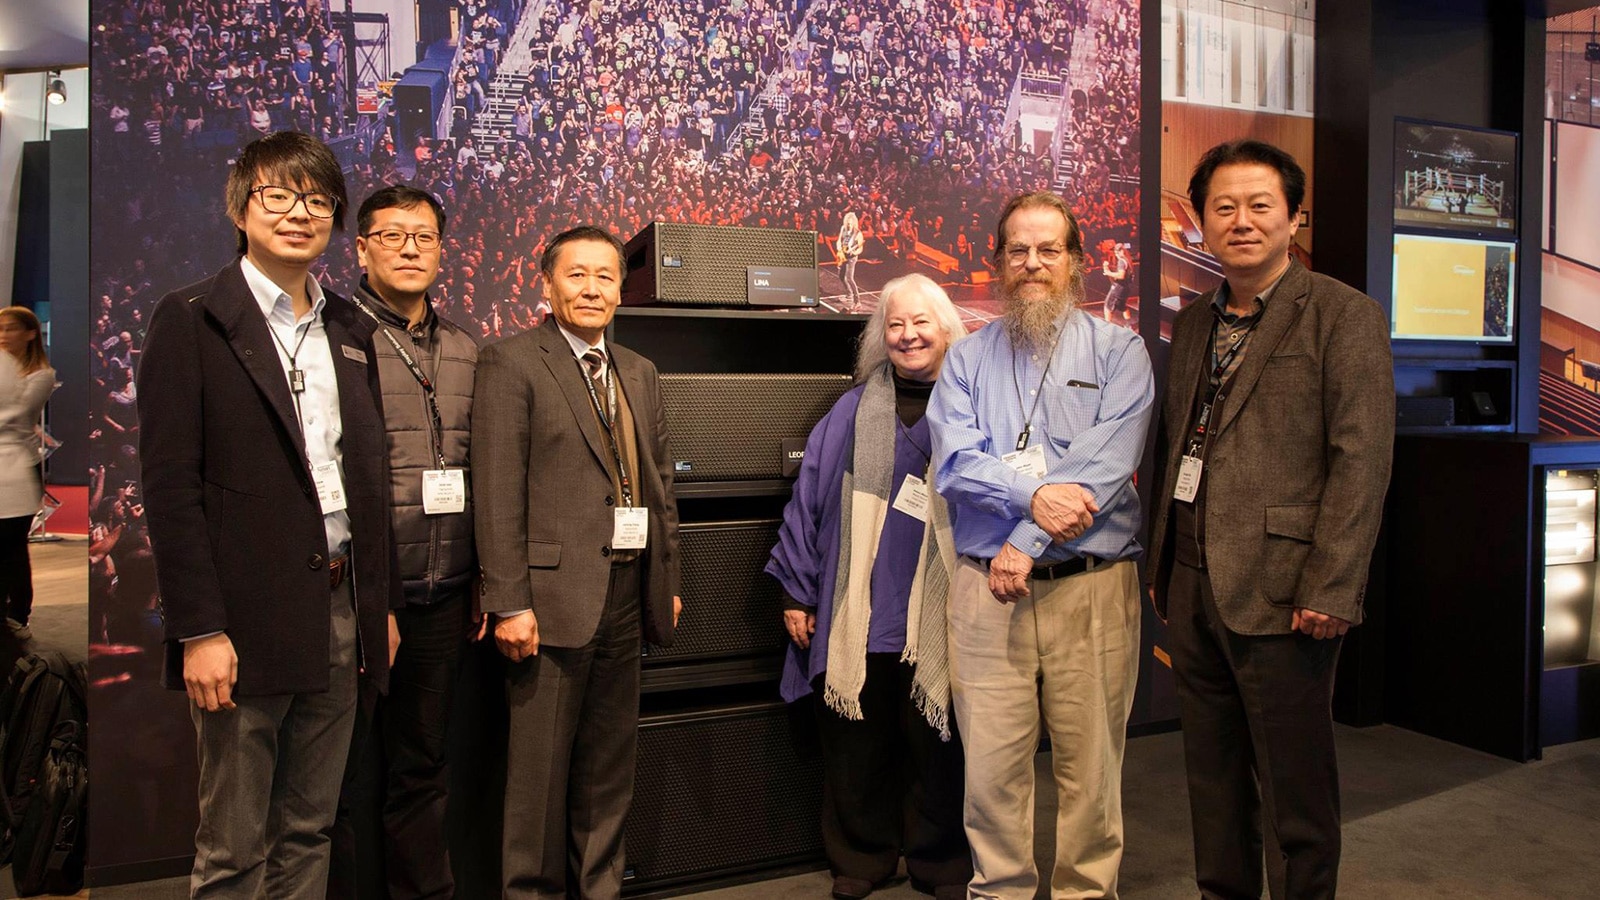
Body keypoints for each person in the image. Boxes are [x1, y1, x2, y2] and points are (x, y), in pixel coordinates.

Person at [137, 131, 399, 898]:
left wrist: (375, 604)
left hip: (341, 609)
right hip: (240, 621)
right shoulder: (191, 318)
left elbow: (370, 478)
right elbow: (171, 486)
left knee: (309, 830)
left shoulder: (351, 329)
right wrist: (200, 628)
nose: (298, 213)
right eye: (278, 196)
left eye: (317, 201)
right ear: (242, 207)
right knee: (232, 846)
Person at [1146, 139, 1394, 900]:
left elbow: (1362, 460)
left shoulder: (1342, 316)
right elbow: (1177, 447)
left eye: (1260, 206)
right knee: (1212, 778)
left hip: (1288, 593)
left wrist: (1333, 585)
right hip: (1191, 584)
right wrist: (1161, 567)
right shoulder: (1192, 323)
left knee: (1295, 790)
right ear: (1199, 220)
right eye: (1223, 207)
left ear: (1294, 217)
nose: (1241, 221)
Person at [927, 191, 1153, 900]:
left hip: (1090, 588)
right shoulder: (964, 359)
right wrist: (1030, 501)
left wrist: (1021, 541)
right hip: (984, 592)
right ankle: (999, 892)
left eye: (1048, 250)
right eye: (1018, 251)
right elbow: (956, 462)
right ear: (997, 262)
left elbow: (1106, 467)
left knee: (1091, 772)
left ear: (1077, 261)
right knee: (991, 770)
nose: (1032, 263)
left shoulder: (1121, 350)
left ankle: (1086, 894)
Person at [472, 224, 682, 899]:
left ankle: (599, 889)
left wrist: (665, 581)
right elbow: (498, 490)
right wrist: (508, 600)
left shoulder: (639, 373)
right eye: (577, 275)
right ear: (547, 284)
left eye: (606, 277)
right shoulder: (510, 361)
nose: (592, 289)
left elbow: (658, 488)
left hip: (626, 591)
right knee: (537, 782)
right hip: (549, 601)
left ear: (622, 290)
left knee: (607, 770)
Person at [767, 274, 973, 900]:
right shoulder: (851, 409)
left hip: (940, 610)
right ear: (881, 335)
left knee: (938, 746)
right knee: (855, 746)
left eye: (921, 323)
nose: (909, 335)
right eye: (895, 324)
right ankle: (862, 857)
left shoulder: (973, 406)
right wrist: (797, 592)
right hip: (856, 609)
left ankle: (938, 859)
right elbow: (807, 503)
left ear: (947, 329)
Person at [331, 185, 479, 899]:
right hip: (356, 597)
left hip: (443, 593)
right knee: (341, 772)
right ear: (360, 248)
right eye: (392, 236)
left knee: (422, 765)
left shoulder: (463, 347)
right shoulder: (333, 337)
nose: (411, 248)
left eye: (423, 236)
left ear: (442, 250)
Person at [0, 306, 56, 642]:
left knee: (12, 547)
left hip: (19, 469)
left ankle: (18, 613)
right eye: (0, 328)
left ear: (31, 333)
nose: (3, 335)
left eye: (10, 329)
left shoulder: (41, 375)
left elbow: (14, 417)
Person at [838, 210, 866, 312]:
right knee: (841, 275)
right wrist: (839, 249)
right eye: (847, 223)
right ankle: (849, 294)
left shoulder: (858, 233)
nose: (849, 225)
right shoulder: (843, 229)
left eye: (850, 223)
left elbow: (860, 248)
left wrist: (853, 252)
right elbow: (838, 240)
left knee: (849, 278)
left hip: (851, 258)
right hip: (843, 256)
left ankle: (857, 302)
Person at [1102, 242, 1131, 325]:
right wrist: (1106, 267)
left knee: (1108, 306)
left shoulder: (1121, 262)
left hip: (1118, 288)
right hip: (1125, 288)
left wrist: (1108, 273)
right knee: (1122, 306)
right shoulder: (1127, 260)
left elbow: (1121, 276)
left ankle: (1107, 327)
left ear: (1119, 252)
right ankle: (1129, 325)